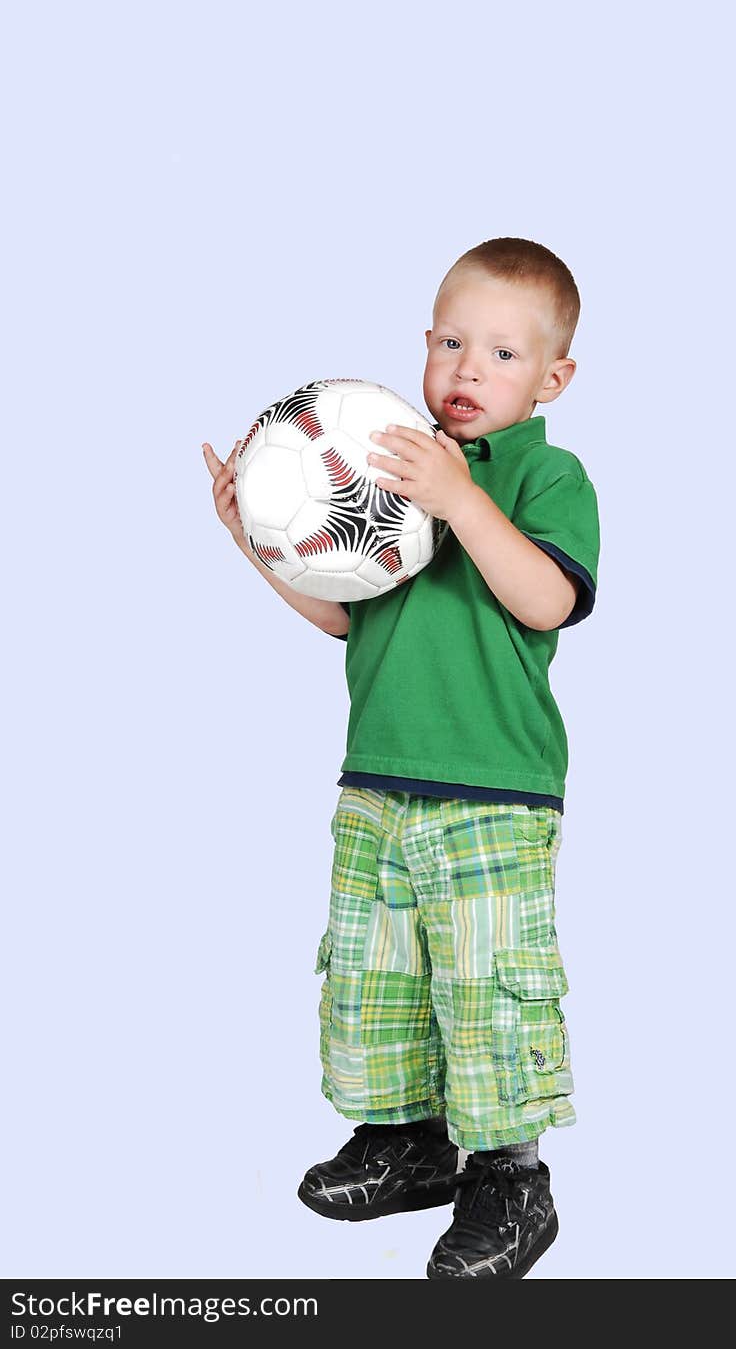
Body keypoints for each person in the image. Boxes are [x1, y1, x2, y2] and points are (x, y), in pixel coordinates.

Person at [202, 237, 600, 1279]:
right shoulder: (382, 453)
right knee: (375, 977)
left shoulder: (542, 474)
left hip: (492, 791)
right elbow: (346, 619)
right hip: (377, 778)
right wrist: (262, 538)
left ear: (551, 377)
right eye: (452, 342)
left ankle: (509, 1178)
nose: (469, 370)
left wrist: (463, 500)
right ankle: (404, 1139)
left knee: (486, 986)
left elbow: (546, 598)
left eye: (503, 354)